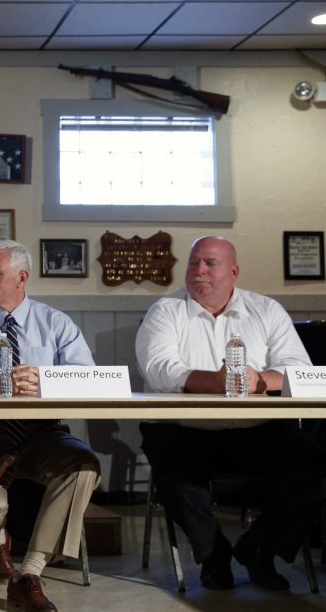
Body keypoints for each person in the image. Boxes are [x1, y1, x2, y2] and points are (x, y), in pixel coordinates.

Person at [136, 235, 326, 591]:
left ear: (234, 271)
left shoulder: (266, 310)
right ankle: (214, 557)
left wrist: (259, 380)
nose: (199, 270)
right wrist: (216, 381)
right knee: (174, 475)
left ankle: (259, 548)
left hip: (258, 429)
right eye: (193, 263)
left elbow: (297, 368)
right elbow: (159, 369)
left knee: (314, 467)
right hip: (185, 430)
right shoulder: (165, 311)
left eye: (210, 263)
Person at [0, 239, 100, 612]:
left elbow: (89, 377)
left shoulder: (55, 322)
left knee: (84, 467)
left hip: (41, 432)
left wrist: (44, 380)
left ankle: (29, 575)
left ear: (22, 277)